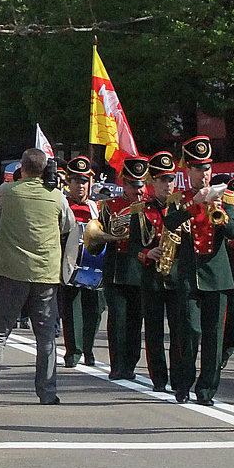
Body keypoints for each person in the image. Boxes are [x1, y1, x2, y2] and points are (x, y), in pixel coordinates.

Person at [0, 148, 71, 405]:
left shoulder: (7, 191)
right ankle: (47, 392)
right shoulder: (57, 197)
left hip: (12, 270)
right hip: (45, 272)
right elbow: (67, 226)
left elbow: (0, 205)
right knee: (46, 337)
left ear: (22, 168)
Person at [163, 135, 234, 406]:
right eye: (197, 168)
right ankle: (182, 383)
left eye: (207, 169)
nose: (203, 174)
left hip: (217, 275)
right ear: (188, 171)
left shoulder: (226, 197)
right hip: (188, 275)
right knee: (189, 332)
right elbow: (169, 223)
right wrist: (195, 203)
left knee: (214, 337)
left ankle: (207, 390)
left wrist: (221, 213)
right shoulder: (178, 198)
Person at [100, 156, 150, 380]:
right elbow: (97, 238)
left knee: (135, 319)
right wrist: (111, 235)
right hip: (117, 268)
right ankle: (117, 364)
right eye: (133, 186)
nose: (139, 191)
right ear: (124, 184)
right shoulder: (110, 206)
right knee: (118, 318)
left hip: (141, 269)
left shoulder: (150, 206)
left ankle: (130, 363)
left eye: (142, 186)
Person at [134, 152, 180, 393]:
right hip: (152, 278)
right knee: (153, 331)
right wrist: (146, 253)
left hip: (176, 278)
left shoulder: (181, 207)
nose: (168, 185)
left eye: (171, 179)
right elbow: (131, 244)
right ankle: (158, 378)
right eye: (162, 180)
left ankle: (178, 376)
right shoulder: (141, 209)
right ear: (152, 182)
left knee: (179, 329)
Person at [58, 156, 105, 368]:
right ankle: (73, 351)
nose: (81, 186)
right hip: (69, 264)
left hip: (95, 264)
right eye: (76, 181)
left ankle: (88, 347)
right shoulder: (62, 205)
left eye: (84, 181)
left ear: (91, 183)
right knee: (72, 310)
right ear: (69, 182)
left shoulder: (98, 208)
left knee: (95, 309)